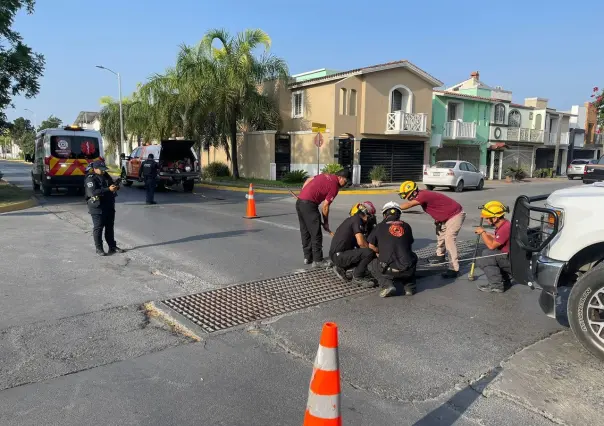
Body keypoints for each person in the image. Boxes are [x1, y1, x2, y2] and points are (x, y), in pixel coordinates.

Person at [398, 181, 465, 278]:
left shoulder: (422, 195)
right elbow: (436, 206)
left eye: (407, 195)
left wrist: (393, 207)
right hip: (446, 216)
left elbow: (409, 205)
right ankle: (440, 255)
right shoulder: (421, 195)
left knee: (449, 239)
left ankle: (454, 268)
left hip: (455, 215)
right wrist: (438, 219)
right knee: (440, 234)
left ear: (413, 192)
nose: (407, 198)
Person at [296, 169, 350, 267]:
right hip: (309, 206)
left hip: (300, 202)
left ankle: (308, 257)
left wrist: (302, 194)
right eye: (345, 181)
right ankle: (318, 260)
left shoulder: (325, 175)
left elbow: (308, 180)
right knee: (316, 233)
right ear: (340, 177)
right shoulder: (334, 186)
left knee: (305, 231)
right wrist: (326, 222)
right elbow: (325, 206)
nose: (344, 184)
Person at [367, 202, 418, 298]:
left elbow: (371, 246)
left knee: (372, 263)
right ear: (399, 214)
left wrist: (379, 252)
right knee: (413, 256)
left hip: (388, 269)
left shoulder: (379, 227)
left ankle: (387, 285)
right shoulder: (407, 226)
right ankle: (409, 287)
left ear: (384, 214)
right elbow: (409, 244)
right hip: (407, 268)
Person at [329, 202, 377, 287]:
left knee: (362, 252)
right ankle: (357, 278)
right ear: (365, 213)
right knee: (368, 253)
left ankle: (341, 268)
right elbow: (361, 243)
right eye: (370, 215)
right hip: (339, 256)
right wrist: (375, 253)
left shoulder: (351, 220)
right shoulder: (357, 220)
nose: (371, 218)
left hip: (337, 255)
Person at [84, 160, 125, 256]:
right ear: (95, 169)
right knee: (98, 227)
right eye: (101, 170)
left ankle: (112, 247)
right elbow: (93, 192)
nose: (103, 171)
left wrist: (115, 187)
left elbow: (110, 186)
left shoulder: (105, 175)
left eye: (104, 169)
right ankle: (99, 248)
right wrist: (108, 189)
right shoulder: (90, 178)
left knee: (109, 227)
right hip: (97, 206)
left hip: (109, 204)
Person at [474, 201, 512, 293]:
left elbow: (491, 246)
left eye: (487, 218)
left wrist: (482, 233)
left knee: (486, 256)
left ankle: (496, 285)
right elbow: (499, 239)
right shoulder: (505, 224)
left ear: (495, 218)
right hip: (509, 257)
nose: (486, 220)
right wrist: (487, 234)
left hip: (510, 261)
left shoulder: (504, 228)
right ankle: (504, 280)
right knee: (485, 256)